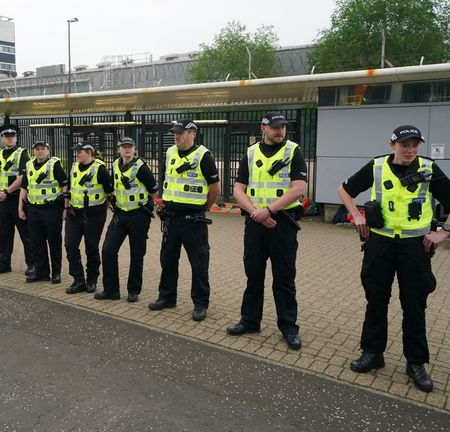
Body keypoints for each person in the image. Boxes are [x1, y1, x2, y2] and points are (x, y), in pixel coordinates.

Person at [338, 124, 450, 393]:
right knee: (376, 300)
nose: (410, 150)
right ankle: (372, 354)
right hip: (380, 244)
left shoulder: (428, 169)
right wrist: (357, 215)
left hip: (414, 247)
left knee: (414, 305)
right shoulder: (376, 167)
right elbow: (344, 190)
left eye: (415, 145)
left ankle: (416, 363)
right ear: (392, 145)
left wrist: (443, 233)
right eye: (405, 145)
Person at [227, 112, 308, 350]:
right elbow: (238, 189)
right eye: (275, 127)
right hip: (255, 223)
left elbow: (299, 188)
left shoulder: (293, 151)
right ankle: (250, 321)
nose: (280, 131)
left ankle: (289, 327)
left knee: (284, 278)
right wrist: (256, 213)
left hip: (282, 223)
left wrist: (269, 211)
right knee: (253, 274)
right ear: (263, 128)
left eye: (282, 127)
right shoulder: (251, 153)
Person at [149, 119, 220, 322]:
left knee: (199, 263)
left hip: (193, 221)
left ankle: (200, 304)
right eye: (175, 133)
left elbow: (215, 189)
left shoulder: (203, 155)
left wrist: (203, 207)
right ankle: (167, 297)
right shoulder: (170, 152)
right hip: (171, 219)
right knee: (168, 260)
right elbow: (167, 181)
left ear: (192, 134)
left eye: (181, 133)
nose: (177, 136)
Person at [96, 137, 159, 302]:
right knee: (108, 250)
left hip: (139, 215)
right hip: (120, 215)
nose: (127, 150)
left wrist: (157, 206)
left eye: (130, 147)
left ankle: (133, 290)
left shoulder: (141, 167)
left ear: (134, 148)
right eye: (124, 147)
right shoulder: (115, 165)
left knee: (136, 253)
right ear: (119, 149)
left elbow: (154, 191)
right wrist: (111, 201)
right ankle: (111, 290)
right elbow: (113, 187)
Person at [64, 142, 113, 294]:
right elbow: (70, 189)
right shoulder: (73, 167)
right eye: (76, 151)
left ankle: (92, 279)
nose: (77, 154)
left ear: (89, 152)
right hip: (74, 214)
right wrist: (66, 207)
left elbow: (109, 192)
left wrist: (107, 208)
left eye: (80, 151)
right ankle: (78, 280)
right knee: (70, 246)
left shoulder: (100, 169)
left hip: (93, 215)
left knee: (91, 248)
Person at [0, 124, 35, 276]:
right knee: (5, 233)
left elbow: (23, 177)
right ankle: (4, 264)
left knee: (26, 234)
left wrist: (6, 191)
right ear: (2, 138)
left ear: (16, 138)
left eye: (12, 136)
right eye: (6, 136)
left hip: (17, 199)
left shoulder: (22, 154)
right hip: (3, 200)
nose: (9, 138)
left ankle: (32, 264)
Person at [18, 140, 68, 284]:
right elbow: (24, 187)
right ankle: (42, 272)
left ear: (48, 150)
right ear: (33, 151)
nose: (40, 151)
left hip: (51, 209)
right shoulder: (29, 165)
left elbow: (64, 186)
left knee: (54, 242)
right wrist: (20, 208)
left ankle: (56, 273)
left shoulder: (54, 165)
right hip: (33, 209)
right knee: (36, 242)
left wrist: (65, 208)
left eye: (43, 149)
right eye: (37, 149)